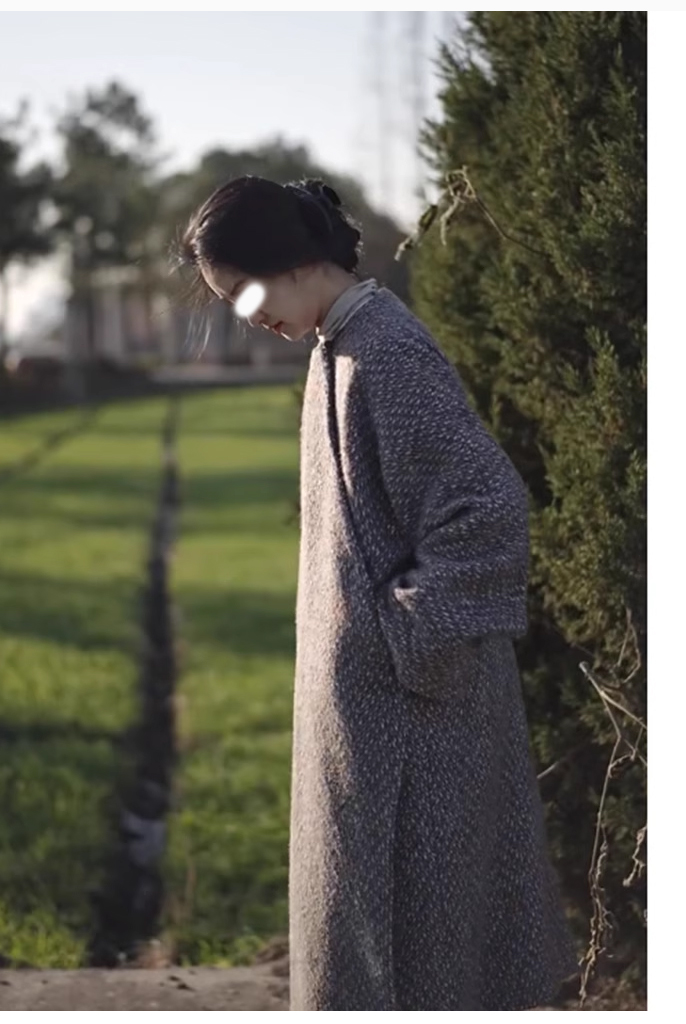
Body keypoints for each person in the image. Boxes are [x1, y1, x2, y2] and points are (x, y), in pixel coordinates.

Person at [178, 175, 579, 1011]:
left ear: (293, 260)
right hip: (375, 718)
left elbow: (487, 510)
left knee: (426, 962)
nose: (246, 315)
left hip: (418, 729)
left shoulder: (387, 352)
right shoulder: (339, 346)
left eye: (244, 290)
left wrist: (402, 641)